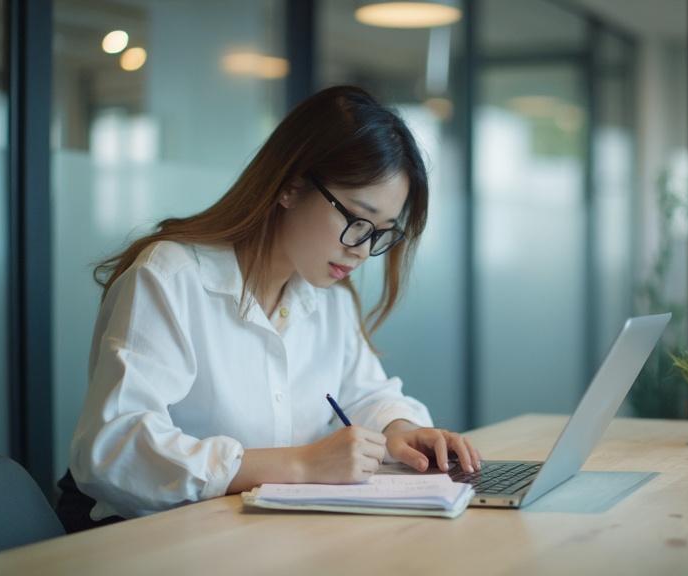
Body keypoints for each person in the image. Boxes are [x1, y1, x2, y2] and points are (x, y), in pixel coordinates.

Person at [55, 86, 482, 532]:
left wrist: (399, 430)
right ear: (290, 186)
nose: (361, 250)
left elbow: (366, 393)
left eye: (380, 232)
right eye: (356, 219)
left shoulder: (327, 295)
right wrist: (300, 464)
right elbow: (115, 449)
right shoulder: (171, 277)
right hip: (149, 537)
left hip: (259, 534)